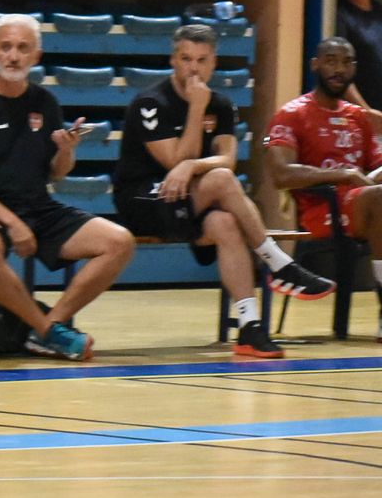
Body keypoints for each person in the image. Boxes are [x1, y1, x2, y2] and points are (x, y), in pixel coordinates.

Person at [114, 24, 334, 357]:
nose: (193, 68)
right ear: (173, 60)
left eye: (202, 60)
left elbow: (227, 158)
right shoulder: (150, 103)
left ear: (213, 62)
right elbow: (177, 159)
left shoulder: (222, 105)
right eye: (186, 59)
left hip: (188, 200)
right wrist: (195, 113)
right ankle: (279, 263)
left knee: (226, 223)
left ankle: (249, 326)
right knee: (220, 181)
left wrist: (192, 167)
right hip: (142, 201)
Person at [0, 14, 135, 362]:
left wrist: (66, 150)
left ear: (36, 55)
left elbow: (57, 174)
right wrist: (13, 223)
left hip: (36, 204)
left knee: (119, 242)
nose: (13, 56)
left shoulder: (45, 103)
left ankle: (47, 327)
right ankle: (51, 333)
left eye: (22, 48)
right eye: (5, 47)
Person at [264, 37, 382, 339]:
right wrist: (346, 175)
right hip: (322, 209)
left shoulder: (358, 118)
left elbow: (375, 167)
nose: (338, 69)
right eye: (330, 60)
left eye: (345, 63)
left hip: (366, 204)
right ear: (315, 64)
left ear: (354, 68)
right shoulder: (293, 113)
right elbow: (281, 174)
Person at [334, 0, 382, 112]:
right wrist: (366, 111)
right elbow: (339, 71)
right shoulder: (338, 15)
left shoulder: (379, 11)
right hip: (356, 117)